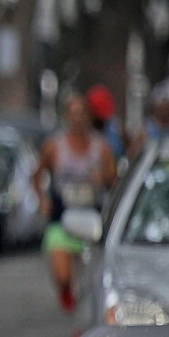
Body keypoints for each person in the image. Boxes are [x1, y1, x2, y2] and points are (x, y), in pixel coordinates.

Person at [34, 93, 117, 312]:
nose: (77, 118)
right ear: (66, 116)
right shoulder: (53, 146)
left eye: (81, 113)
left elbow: (114, 181)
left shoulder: (101, 148)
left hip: (92, 218)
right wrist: (42, 199)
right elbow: (36, 174)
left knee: (90, 279)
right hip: (62, 216)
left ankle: (86, 310)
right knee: (62, 275)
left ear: (88, 116)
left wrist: (103, 179)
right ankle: (66, 291)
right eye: (73, 113)